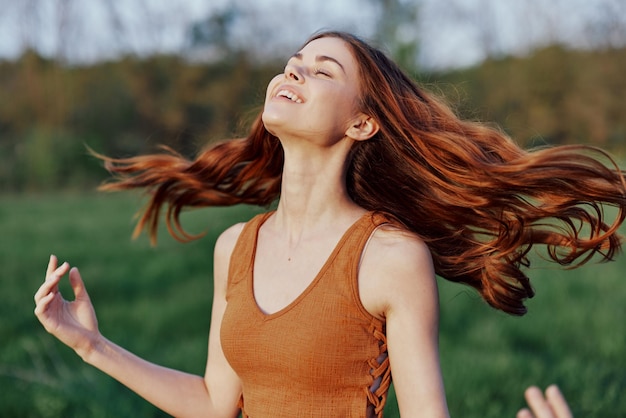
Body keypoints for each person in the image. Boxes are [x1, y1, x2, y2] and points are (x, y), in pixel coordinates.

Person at [34, 30, 625, 417]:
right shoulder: (235, 247)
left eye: (321, 71)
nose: (292, 73)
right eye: (292, 65)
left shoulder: (389, 257)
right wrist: (91, 346)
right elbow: (217, 403)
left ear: (362, 124)